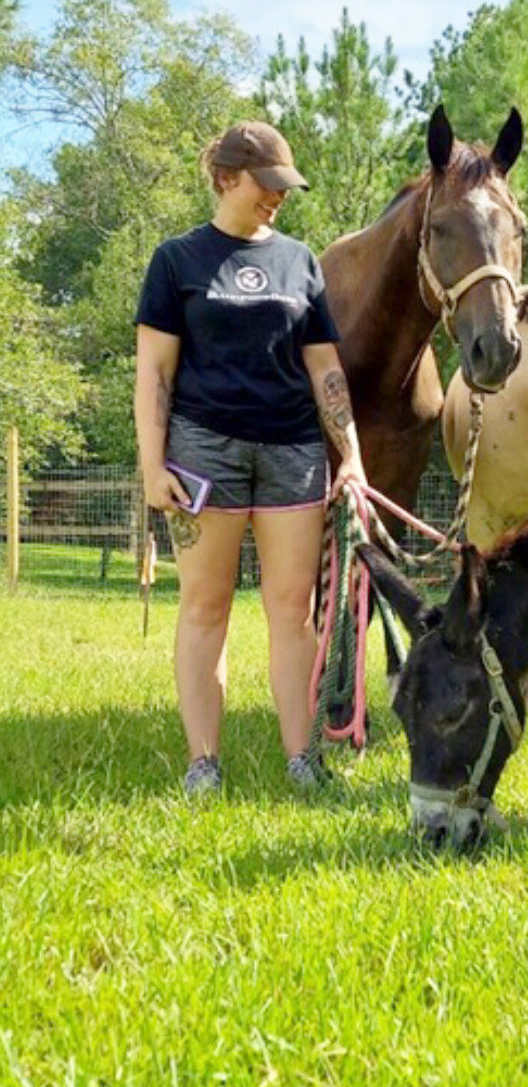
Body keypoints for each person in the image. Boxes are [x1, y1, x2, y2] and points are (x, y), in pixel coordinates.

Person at [134, 120, 367, 796]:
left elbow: (325, 369)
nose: (279, 198)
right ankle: (203, 764)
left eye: (285, 187)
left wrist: (348, 456)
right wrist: (154, 467)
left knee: (293, 609)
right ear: (226, 177)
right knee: (206, 607)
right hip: (204, 453)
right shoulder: (176, 262)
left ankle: (302, 759)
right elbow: (154, 374)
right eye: (268, 185)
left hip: (294, 452)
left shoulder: (301, 263)